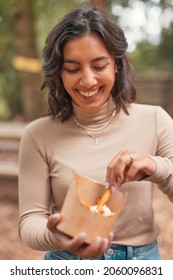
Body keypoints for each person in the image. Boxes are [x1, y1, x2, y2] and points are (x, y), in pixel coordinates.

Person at [18, 6, 173, 260]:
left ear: (116, 65)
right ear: (58, 72)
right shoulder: (37, 135)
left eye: (99, 65)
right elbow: (29, 221)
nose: (88, 80)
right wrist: (63, 236)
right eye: (73, 69)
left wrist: (157, 167)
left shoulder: (154, 120)